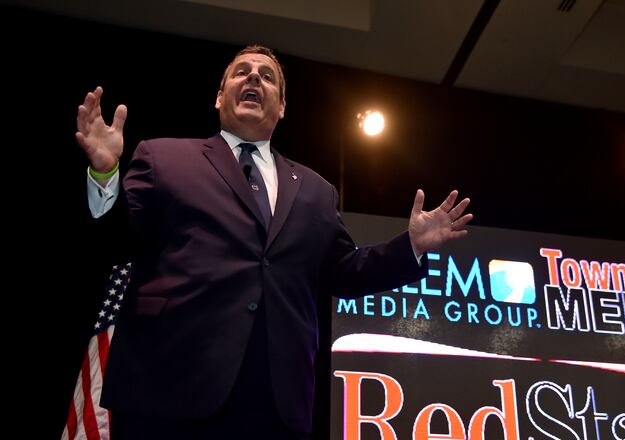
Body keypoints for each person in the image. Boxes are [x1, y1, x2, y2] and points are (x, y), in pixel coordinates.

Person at [76, 45, 472, 439]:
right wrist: (105, 172)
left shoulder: (316, 191)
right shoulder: (165, 157)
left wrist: (412, 246)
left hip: (275, 405)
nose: (253, 77)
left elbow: (344, 271)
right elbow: (117, 241)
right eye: (241, 72)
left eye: (267, 77)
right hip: (167, 390)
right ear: (219, 97)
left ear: (281, 107)